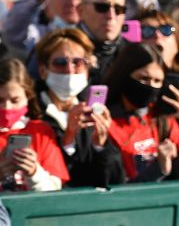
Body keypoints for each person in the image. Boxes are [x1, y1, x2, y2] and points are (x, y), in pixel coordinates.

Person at [34, 28, 124, 187]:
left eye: (78, 62)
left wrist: (100, 146)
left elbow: (115, 181)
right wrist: (68, 138)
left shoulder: (92, 113)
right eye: (60, 62)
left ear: (88, 70)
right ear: (43, 70)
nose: (69, 69)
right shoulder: (31, 112)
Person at [103, 42, 179, 183]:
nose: (151, 86)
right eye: (144, 78)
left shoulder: (162, 119)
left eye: (157, 81)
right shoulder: (106, 121)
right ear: (125, 75)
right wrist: (159, 168)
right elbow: (115, 185)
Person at [0, 58, 69, 191]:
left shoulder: (41, 132)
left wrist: (34, 173)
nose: (7, 107)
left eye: (15, 100)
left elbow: (54, 190)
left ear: (27, 98)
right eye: (0, 100)